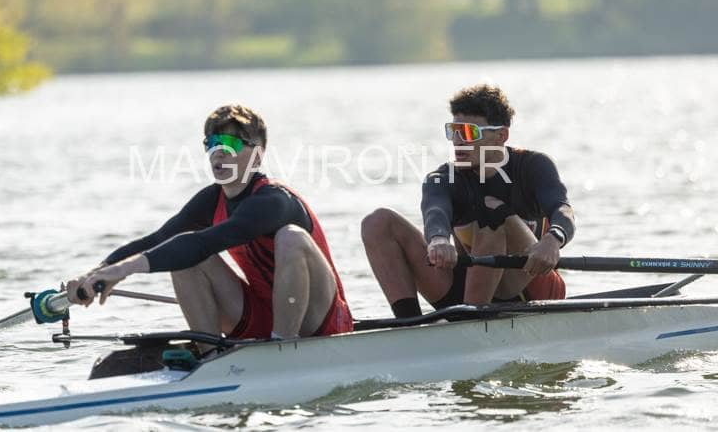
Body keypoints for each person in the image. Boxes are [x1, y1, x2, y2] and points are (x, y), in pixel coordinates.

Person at [67, 104, 352, 343]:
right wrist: (96, 274)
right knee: (181, 253)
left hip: (320, 320)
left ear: (257, 155)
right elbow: (156, 241)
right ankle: (211, 356)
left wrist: (123, 270)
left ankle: (282, 349)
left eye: (230, 144)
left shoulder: (274, 200)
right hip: (263, 314)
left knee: (291, 237)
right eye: (212, 143)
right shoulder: (211, 200)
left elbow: (205, 242)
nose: (218, 152)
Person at [361, 84, 574, 317]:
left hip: (532, 288)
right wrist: (438, 239)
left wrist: (553, 240)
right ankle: (409, 323)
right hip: (468, 288)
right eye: (454, 131)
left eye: (469, 132)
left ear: (501, 136)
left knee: (492, 219)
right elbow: (435, 212)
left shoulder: (533, 166)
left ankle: (470, 321)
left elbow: (562, 209)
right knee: (377, 222)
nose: (458, 141)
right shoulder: (444, 178)